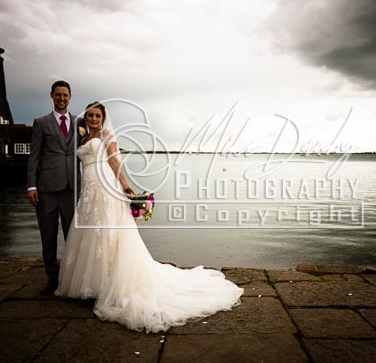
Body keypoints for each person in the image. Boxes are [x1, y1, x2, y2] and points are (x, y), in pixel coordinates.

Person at [55, 102, 244, 333]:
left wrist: (125, 185)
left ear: (103, 118)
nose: (94, 118)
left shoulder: (107, 134)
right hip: (88, 189)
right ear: (85, 117)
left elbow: (114, 160)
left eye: (97, 115)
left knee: (108, 232)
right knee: (89, 231)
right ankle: (91, 283)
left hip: (105, 187)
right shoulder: (83, 138)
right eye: (90, 115)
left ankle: (109, 283)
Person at [27, 80, 80, 295]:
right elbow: (34, 156)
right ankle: (52, 280)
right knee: (48, 237)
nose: (62, 98)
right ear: (51, 96)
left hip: (71, 188)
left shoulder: (80, 121)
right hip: (47, 189)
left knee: (72, 238)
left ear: (70, 96)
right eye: (58, 94)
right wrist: (31, 185)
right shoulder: (41, 123)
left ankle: (71, 280)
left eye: (65, 95)